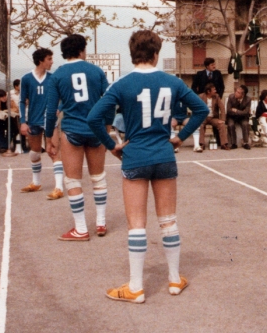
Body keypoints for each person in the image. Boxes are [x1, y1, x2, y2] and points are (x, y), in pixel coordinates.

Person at [87, 29, 208, 304]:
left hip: (135, 157)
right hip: (165, 156)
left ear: (132, 54)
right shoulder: (171, 81)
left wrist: (112, 145)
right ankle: (175, 279)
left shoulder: (121, 84)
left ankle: (136, 287)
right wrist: (179, 138)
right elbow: (201, 110)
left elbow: (94, 118)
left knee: (137, 225)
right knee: (168, 221)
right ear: (156, 54)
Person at [45, 34, 111, 241]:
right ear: (82, 50)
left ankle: (81, 229)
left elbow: (50, 111)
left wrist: (49, 138)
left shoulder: (57, 75)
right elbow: (109, 102)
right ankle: (100, 222)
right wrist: (107, 129)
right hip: (96, 130)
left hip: (72, 130)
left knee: (72, 180)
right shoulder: (96, 71)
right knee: (98, 177)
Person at [19, 47, 65, 200]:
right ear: (41, 61)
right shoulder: (26, 79)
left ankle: (59, 188)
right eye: (49, 59)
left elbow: (64, 98)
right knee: (34, 153)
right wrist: (23, 122)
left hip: (50, 120)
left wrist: (58, 108)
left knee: (53, 152)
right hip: (33, 120)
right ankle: (36, 183)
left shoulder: (53, 78)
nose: (52, 62)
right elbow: (21, 101)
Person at [198, 83, 230, 150]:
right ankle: (201, 144)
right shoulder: (201, 96)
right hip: (203, 117)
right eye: (214, 90)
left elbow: (222, 108)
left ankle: (223, 144)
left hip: (213, 118)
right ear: (208, 91)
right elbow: (196, 107)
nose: (215, 91)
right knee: (200, 125)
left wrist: (222, 119)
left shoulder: (216, 96)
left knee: (221, 125)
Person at [226, 85, 251, 150]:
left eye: (238, 92)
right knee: (231, 125)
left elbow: (246, 112)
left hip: (242, 117)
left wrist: (236, 110)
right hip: (232, 116)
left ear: (242, 95)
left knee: (245, 124)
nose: (235, 93)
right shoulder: (231, 97)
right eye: (236, 91)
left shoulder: (248, 99)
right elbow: (228, 110)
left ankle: (245, 143)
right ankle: (233, 143)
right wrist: (241, 112)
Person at [10, 79, 28, 153]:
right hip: (14, 114)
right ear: (16, 86)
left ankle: (23, 146)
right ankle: (16, 146)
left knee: (22, 130)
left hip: (23, 113)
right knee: (15, 130)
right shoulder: (10, 93)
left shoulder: (24, 93)